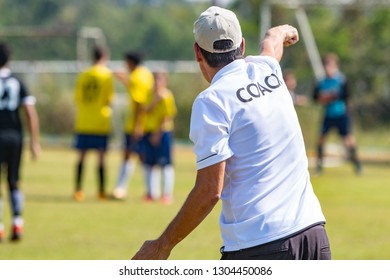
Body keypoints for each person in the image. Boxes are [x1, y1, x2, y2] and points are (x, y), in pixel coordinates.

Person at [132, 6, 331, 260]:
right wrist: (282, 31)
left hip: (259, 246)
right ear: (242, 45)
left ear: (197, 52)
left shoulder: (211, 102)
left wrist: (162, 245)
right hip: (313, 234)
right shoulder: (268, 70)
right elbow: (271, 43)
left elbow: (209, 191)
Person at [0, 42, 41, 241]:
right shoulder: (17, 81)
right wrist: (34, 141)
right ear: (10, 59)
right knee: (14, 181)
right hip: (15, 138)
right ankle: (17, 223)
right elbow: (30, 113)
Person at [73, 46, 115, 201]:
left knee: (82, 156)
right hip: (100, 121)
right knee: (101, 157)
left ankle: (78, 190)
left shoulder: (83, 74)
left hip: (84, 120)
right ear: (104, 56)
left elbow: (77, 98)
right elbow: (109, 99)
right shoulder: (107, 75)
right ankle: (101, 192)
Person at [112, 51, 154, 200]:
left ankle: (120, 189)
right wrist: (124, 80)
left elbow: (138, 103)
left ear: (130, 62)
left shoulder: (136, 77)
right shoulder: (145, 74)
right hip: (148, 123)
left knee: (129, 155)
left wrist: (137, 126)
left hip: (136, 125)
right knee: (144, 157)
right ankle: (151, 191)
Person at [313, 53, 362, 175]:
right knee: (320, 139)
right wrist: (324, 98)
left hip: (341, 114)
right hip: (328, 114)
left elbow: (347, 96)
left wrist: (333, 97)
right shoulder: (322, 81)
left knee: (348, 139)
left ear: (336, 66)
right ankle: (319, 167)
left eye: (331, 65)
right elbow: (315, 97)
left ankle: (357, 165)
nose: (328, 67)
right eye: (326, 65)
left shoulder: (341, 80)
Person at [141, 71, 177, 204]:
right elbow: (146, 110)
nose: (156, 83)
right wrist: (155, 100)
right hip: (148, 132)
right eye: (154, 80)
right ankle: (151, 193)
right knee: (149, 164)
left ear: (165, 82)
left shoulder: (167, 96)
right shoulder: (150, 95)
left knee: (165, 164)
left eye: (159, 80)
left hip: (163, 133)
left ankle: (167, 194)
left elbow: (167, 116)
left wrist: (157, 134)